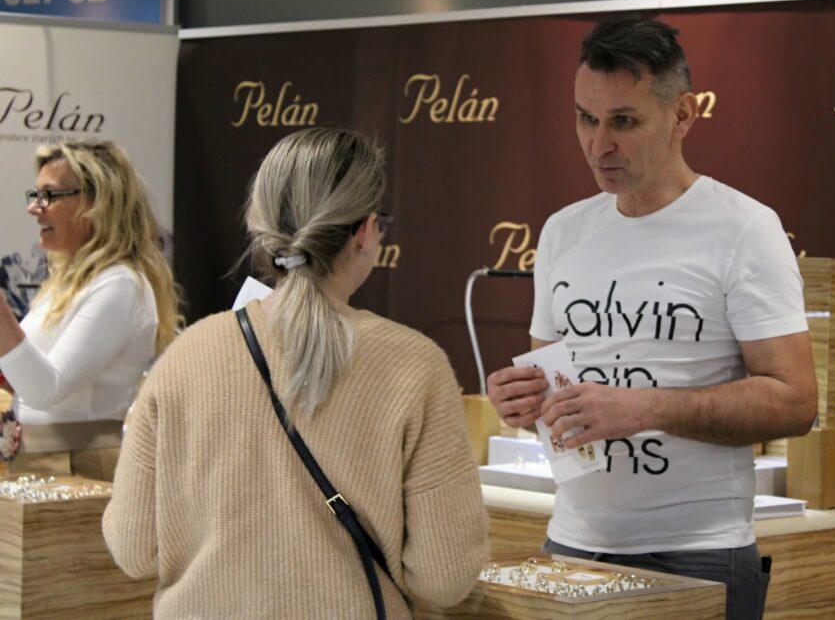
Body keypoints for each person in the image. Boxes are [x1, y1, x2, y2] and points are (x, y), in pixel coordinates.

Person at [486, 18, 817, 619]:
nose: (598, 145)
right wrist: (523, 402)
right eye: (585, 118)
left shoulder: (744, 228)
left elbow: (794, 402)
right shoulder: (562, 231)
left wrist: (644, 408)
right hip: (571, 543)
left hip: (698, 553)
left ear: (682, 115)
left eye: (623, 121)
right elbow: (552, 398)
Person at [103, 127, 488, 619]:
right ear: (367, 231)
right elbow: (445, 574)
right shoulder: (415, 367)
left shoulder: (185, 356)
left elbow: (133, 547)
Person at [0, 140, 180, 480]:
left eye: (49, 195)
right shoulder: (67, 283)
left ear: (97, 202)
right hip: (38, 464)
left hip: (77, 468)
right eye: (35, 194)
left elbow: (45, 390)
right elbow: (28, 381)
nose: (34, 207)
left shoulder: (121, 285)